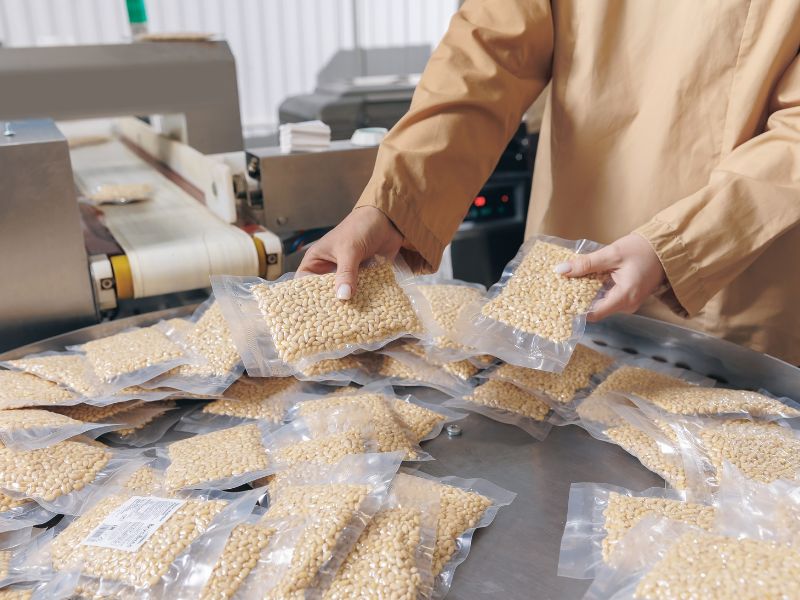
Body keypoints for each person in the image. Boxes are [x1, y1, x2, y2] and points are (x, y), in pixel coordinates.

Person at [298, 0, 800, 364]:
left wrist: (680, 247)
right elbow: (489, 51)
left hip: (730, 279)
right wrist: (391, 205)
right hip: (566, 281)